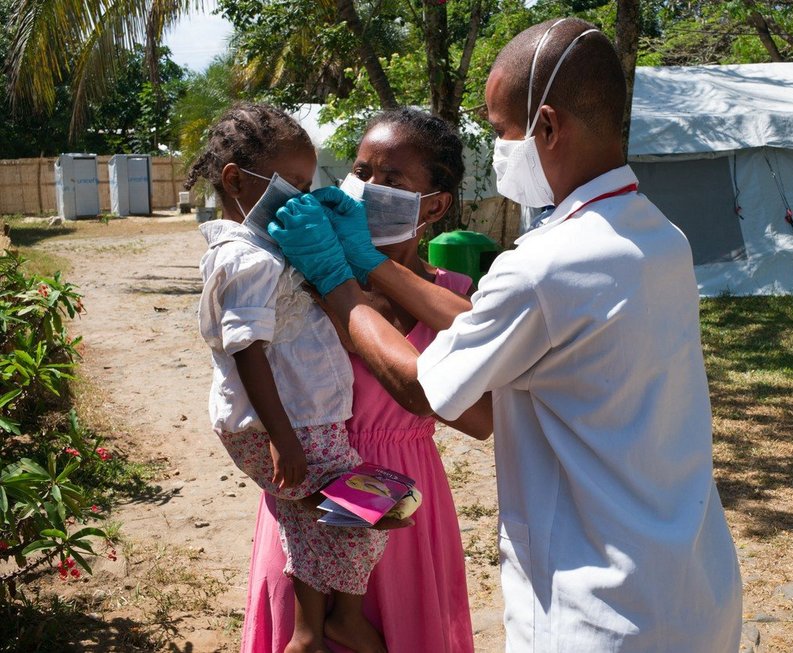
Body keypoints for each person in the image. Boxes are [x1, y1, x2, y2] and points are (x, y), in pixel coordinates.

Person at [269, 17, 742, 652]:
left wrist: (335, 279)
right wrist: (375, 265)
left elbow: (422, 389)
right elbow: (489, 325)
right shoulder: (657, 237)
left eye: (501, 132)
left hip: (596, 609)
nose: (498, 150)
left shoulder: (544, 264)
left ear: (546, 127)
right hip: (692, 587)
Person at [239, 108, 482, 653]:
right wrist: (333, 271)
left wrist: (368, 265)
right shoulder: (299, 272)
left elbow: (479, 415)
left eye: (391, 180)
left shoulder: (450, 294)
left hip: (404, 503)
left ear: (435, 205)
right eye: (361, 171)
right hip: (311, 489)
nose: (366, 188)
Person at [187, 102, 388, 653]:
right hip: (289, 420)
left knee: (320, 521)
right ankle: (325, 627)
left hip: (301, 417)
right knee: (357, 518)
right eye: (292, 184)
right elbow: (246, 350)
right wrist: (280, 437)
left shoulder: (260, 247)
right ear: (235, 180)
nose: (300, 196)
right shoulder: (245, 259)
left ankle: (311, 629)